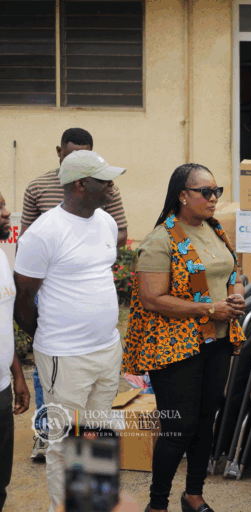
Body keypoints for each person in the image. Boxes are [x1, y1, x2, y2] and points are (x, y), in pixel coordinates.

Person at [122, 164, 247, 512]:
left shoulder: (214, 228)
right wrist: (208, 310)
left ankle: (193, 495)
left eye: (216, 191)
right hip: (175, 347)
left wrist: (236, 293)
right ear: (182, 196)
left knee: (206, 420)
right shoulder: (161, 240)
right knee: (179, 427)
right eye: (205, 192)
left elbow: (233, 270)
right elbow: (151, 298)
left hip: (217, 341)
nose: (213, 198)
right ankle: (157, 504)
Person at [14, 150, 126, 512]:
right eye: (103, 180)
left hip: (107, 349)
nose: (111, 186)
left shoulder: (106, 221)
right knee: (64, 444)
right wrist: (50, 335)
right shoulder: (45, 232)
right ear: (80, 184)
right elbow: (24, 298)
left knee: (96, 437)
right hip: (65, 355)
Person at [0, 189, 31, 511]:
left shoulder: (1, 255)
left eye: (5, 206)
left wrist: (17, 377)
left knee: (1, 480)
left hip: (2, 389)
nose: (7, 213)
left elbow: (3, 324)